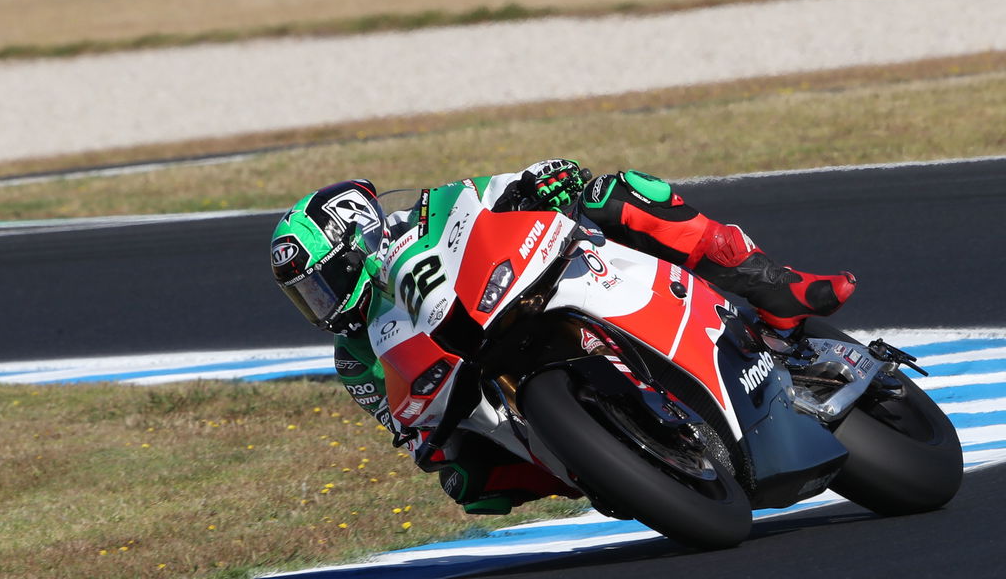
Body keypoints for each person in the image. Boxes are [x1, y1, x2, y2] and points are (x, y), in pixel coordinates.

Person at [269, 159, 856, 515]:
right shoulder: (354, 356)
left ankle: (776, 287)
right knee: (467, 481)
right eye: (307, 297)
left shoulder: (426, 217)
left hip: (536, 288)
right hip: (483, 383)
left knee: (618, 192)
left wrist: (543, 182)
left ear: (354, 243)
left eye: (322, 283)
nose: (320, 304)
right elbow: (402, 422)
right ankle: (609, 465)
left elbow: (493, 195)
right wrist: (428, 443)